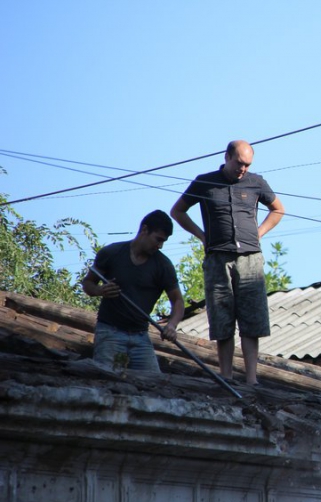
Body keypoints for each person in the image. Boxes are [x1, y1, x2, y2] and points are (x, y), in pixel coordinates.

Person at [170, 140, 284, 386]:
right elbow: (177, 211)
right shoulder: (204, 181)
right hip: (217, 258)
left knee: (252, 318)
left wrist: (259, 233)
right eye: (239, 163)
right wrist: (202, 236)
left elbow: (278, 210)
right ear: (227, 157)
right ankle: (227, 376)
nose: (243, 169)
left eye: (247, 165)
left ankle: (252, 379)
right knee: (222, 317)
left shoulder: (257, 182)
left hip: (250, 259)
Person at [82, 209, 185, 373]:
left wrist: (172, 325)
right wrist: (100, 290)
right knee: (106, 378)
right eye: (158, 239)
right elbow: (88, 283)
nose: (160, 246)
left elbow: (178, 301)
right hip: (109, 332)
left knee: (153, 384)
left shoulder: (163, 265)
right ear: (144, 230)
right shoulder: (111, 253)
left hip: (141, 336)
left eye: (163, 241)